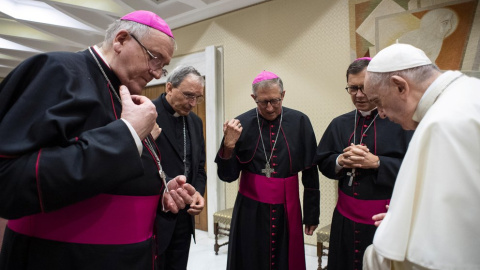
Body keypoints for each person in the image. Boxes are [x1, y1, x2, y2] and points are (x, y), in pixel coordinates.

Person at [0, 10, 198, 270]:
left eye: (163, 65)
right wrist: (127, 134)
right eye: (154, 58)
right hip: (65, 257)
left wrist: (160, 191)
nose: (157, 73)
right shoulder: (58, 71)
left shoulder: (124, 91)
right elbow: (8, 180)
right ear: (121, 40)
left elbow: (107, 178)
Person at [362, 43, 480, 269]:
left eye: (378, 102)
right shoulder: (470, 92)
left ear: (400, 86)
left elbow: (444, 254)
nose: (382, 114)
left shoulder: (443, 123)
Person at [215, 70, 320, 270]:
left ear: (283, 95)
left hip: (288, 207)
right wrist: (228, 146)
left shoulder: (300, 122)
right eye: (263, 102)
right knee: (250, 259)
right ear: (253, 98)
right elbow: (227, 176)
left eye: (275, 100)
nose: (270, 107)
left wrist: (312, 214)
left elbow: (310, 171)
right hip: (249, 209)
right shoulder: (240, 124)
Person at [315, 57, 413, 270]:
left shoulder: (401, 122)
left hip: (384, 220)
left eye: (363, 88)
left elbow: (416, 170)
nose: (358, 95)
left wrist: (377, 162)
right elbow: (322, 161)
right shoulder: (339, 123)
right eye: (352, 88)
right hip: (345, 219)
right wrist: (340, 160)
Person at [152, 66, 206, 270]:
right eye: (188, 95)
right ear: (169, 87)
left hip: (184, 218)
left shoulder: (195, 121)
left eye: (197, 97)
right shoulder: (148, 113)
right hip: (154, 215)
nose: (192, 103)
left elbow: (199, 167)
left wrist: (199, 193)